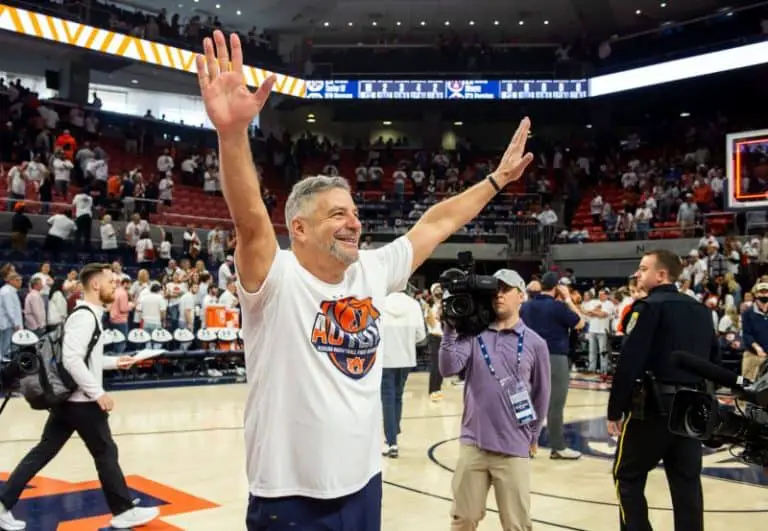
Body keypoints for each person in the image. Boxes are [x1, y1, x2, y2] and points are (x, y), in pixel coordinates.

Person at [195, 29, 534, 531]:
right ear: (299, 228)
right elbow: (249, 220)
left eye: (354, 212)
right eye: (337, 214)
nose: (353, 222)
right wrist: (232, 135)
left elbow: (436, 223)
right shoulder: (276, 277)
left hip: (364, 482)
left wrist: (497, 180)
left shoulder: (371, 271)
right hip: (289, 494)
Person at [0, 263, 159, 531]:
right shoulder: (85, 317)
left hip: (69, 402)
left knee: (45, 451)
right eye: (110, 281)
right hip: (81, 402)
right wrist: (98, 393)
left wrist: (116, 362)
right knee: (105, 451)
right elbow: (72, 359)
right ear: (95, 284)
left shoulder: (88, 315)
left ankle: (3, 503)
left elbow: (85, 359)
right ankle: (123, 511)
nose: (115, 285)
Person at [608, 250, 720, 531]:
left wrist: (615, 410)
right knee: (687, 482)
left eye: (643, 268)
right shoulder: (702, 311)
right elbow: (714, 362)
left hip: (653, 408)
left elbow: (629, 362)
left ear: (661, 274)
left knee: (627, 476)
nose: (638, 273)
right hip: (691, 409)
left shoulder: (647, 308)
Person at [439, 269, 550, 531]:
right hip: (474, 444)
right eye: (495, 290)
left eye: (506, 289)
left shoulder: (535, 343)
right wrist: (449, 328)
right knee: (463, 518)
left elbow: (542, 393)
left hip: (513, 448)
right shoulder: (474, 335)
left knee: (516, 524)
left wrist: (533, 435)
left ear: (521, 296)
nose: (499, 295)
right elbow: (448, 368)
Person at [520, 271, 585, 459]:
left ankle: (523, 444)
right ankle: (558, 447)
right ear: (557, 287)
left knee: (529, 401)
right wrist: (568, 299)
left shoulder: (526, 306)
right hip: (554, 356)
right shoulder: (558, 307)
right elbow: (580, 323)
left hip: (529, 356)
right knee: (555, 403)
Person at [380, 289, 426, 458]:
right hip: (406, 358)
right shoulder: (413, 304)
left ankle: (391, 441)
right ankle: (393, 432)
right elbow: (420, 336)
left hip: (385, 359)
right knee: (398, 396)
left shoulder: (381, 302)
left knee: (387, 399)